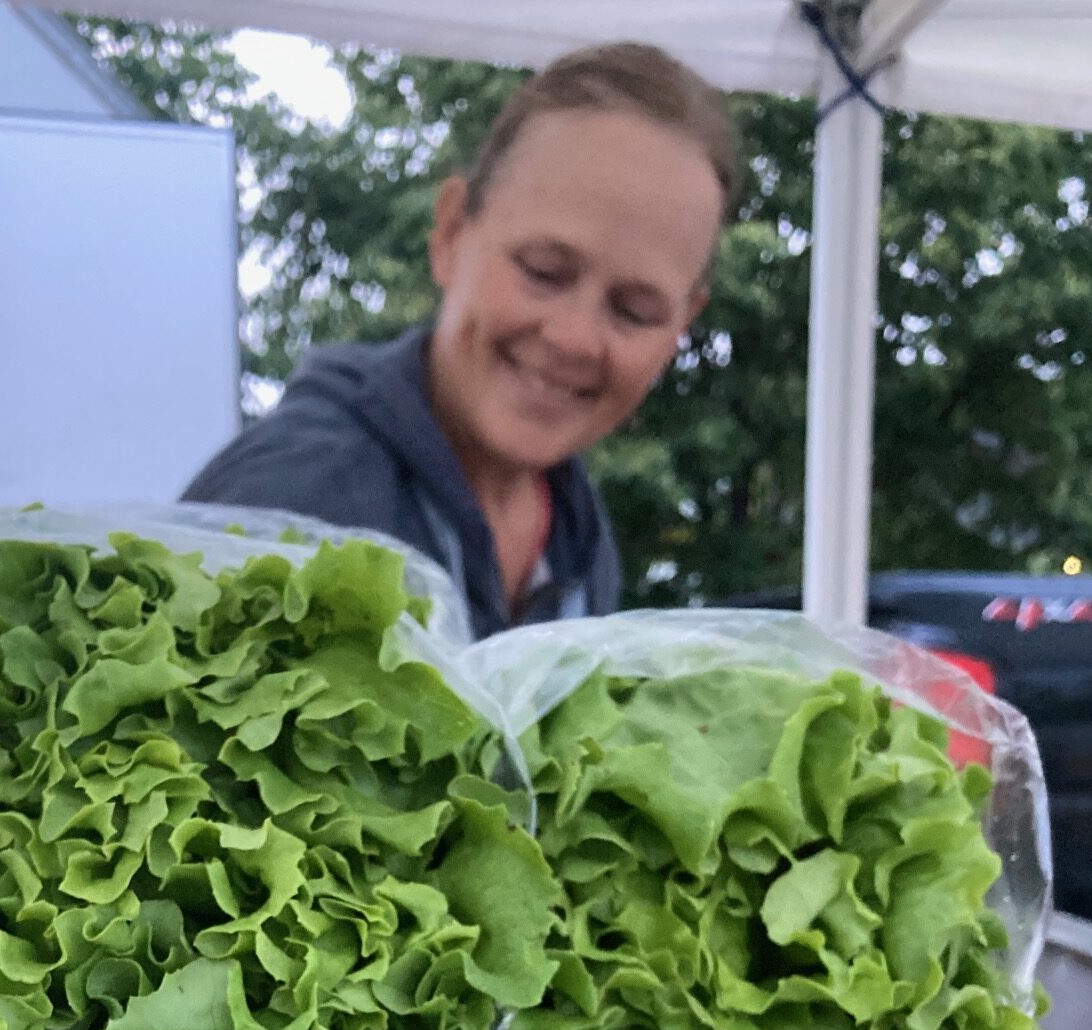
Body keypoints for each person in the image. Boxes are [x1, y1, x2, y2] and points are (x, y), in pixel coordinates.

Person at [183, 43, 739, 640]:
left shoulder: (579, 534)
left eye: (635, 311)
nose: (576, 338)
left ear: (683, 325)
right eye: (543, 271)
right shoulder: (286, 499)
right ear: (450, 234)